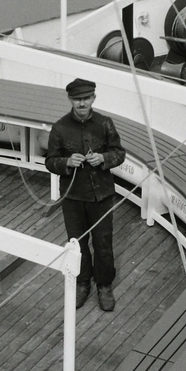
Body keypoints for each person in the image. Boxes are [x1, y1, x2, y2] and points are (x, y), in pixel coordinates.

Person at [45, 79, 126, 312]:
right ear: (70, 100)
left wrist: (103, 159)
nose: (82, 103)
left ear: (93, 99)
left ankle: (104, 284)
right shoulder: (60, 128)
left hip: (101, 195)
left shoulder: (105, 124)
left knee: (103, 242)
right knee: (77, 244)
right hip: (73, 198)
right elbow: (50, 161)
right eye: (78, 99)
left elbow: (119, 153)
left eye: (86, 98)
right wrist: (66, 162)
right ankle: (82, 283)